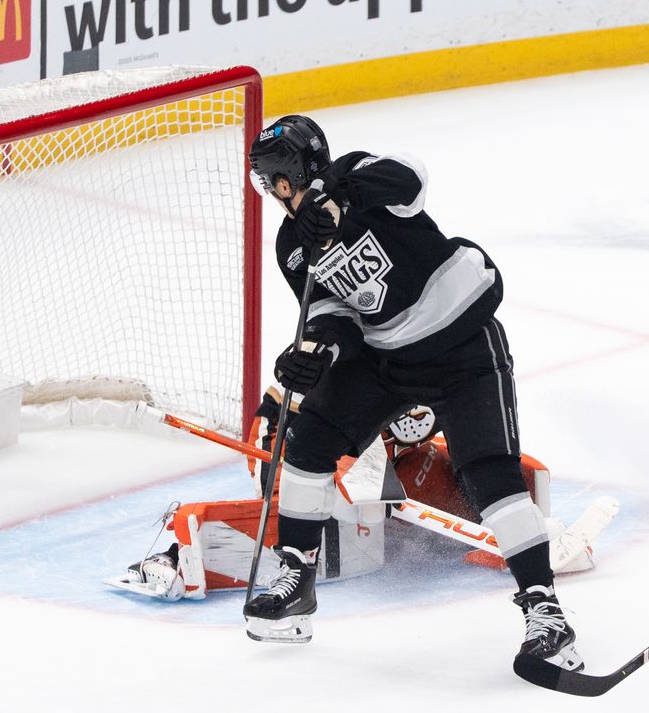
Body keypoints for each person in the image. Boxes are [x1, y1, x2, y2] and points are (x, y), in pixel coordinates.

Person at [242, 114, 583, 670]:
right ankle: (296, 576)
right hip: (386, 359)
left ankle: (547, 614)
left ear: (290, 176)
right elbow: (336, 320)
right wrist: (315, 355)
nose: (273, 191)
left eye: (273, 178)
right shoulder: (292, 245)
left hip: (462, 345)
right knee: (307, 441)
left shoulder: (357, 176)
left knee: (490, 474)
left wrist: (338, 194)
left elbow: (411, 179)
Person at [109, 390, 606, 601]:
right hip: (294, 433)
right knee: (329, 515)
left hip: (373, 436)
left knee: (410, 484)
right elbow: (322, 442)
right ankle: (178, 560)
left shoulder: (416, 372)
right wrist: (361, 478)